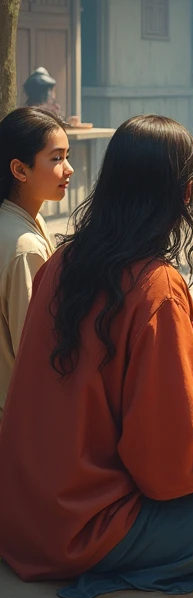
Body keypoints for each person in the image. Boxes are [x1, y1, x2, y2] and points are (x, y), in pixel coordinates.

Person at [0, 115, 193, 598]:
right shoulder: (156, 286)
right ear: (184, 195)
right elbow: (166, 456)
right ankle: (121, 571)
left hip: (23, 513)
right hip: (83, 526)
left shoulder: (61, 260)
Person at [0, 108, 72, 421]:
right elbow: (35, 355)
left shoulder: (27, 222)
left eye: (66, 156)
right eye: (56, 158)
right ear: (20, 169)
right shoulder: (24, 247)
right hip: (24, 418)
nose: (68, 169)